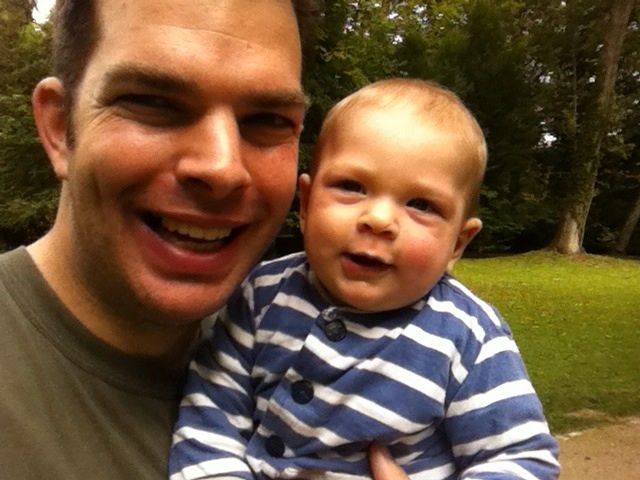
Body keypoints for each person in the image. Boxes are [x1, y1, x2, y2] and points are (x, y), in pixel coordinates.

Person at [170, 79, 561, 480]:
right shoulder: (261, 296)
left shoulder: (468, 337)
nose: (378, 219)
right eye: (352, 187)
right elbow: (209, 422)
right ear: (306, 204)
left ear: (457, 243)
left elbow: (520, 459)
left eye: (421, 205)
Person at [0, 0, 318, 478]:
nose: (222, 168)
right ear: (59, 128)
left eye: (267, 119)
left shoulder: (337, 356)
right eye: (152, 102)